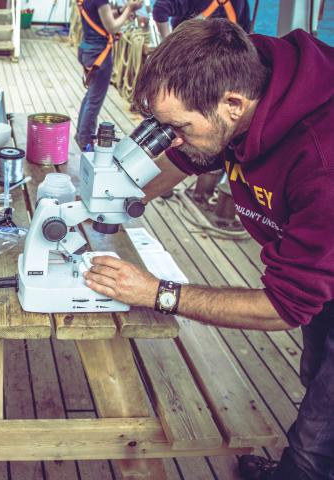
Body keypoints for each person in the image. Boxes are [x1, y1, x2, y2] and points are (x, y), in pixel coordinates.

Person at [83, 19, 333, 480]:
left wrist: (158, 292)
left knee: (321, 431)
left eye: (177, 126)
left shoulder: (321, 162)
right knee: (316, 374)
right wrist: (109, 202)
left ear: (233, 106)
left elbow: (283, 306)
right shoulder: (242, 79)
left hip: (313, 266)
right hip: (319, 262)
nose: (170, 137)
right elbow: (182, 157)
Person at [75, 0, 143, 151]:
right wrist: (130, 9)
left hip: (88, 49)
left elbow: (100, 16)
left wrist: (122, 10)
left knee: (90, 96)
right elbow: (112, 27)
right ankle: (85, 141)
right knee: (94, 100)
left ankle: (81, 134)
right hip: (99, 54)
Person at [152, 0, 251, 40]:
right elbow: (160, 10)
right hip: (189, 53)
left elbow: (245, 30)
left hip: (222, 56)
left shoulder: (241, 2)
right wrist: (168, 42)